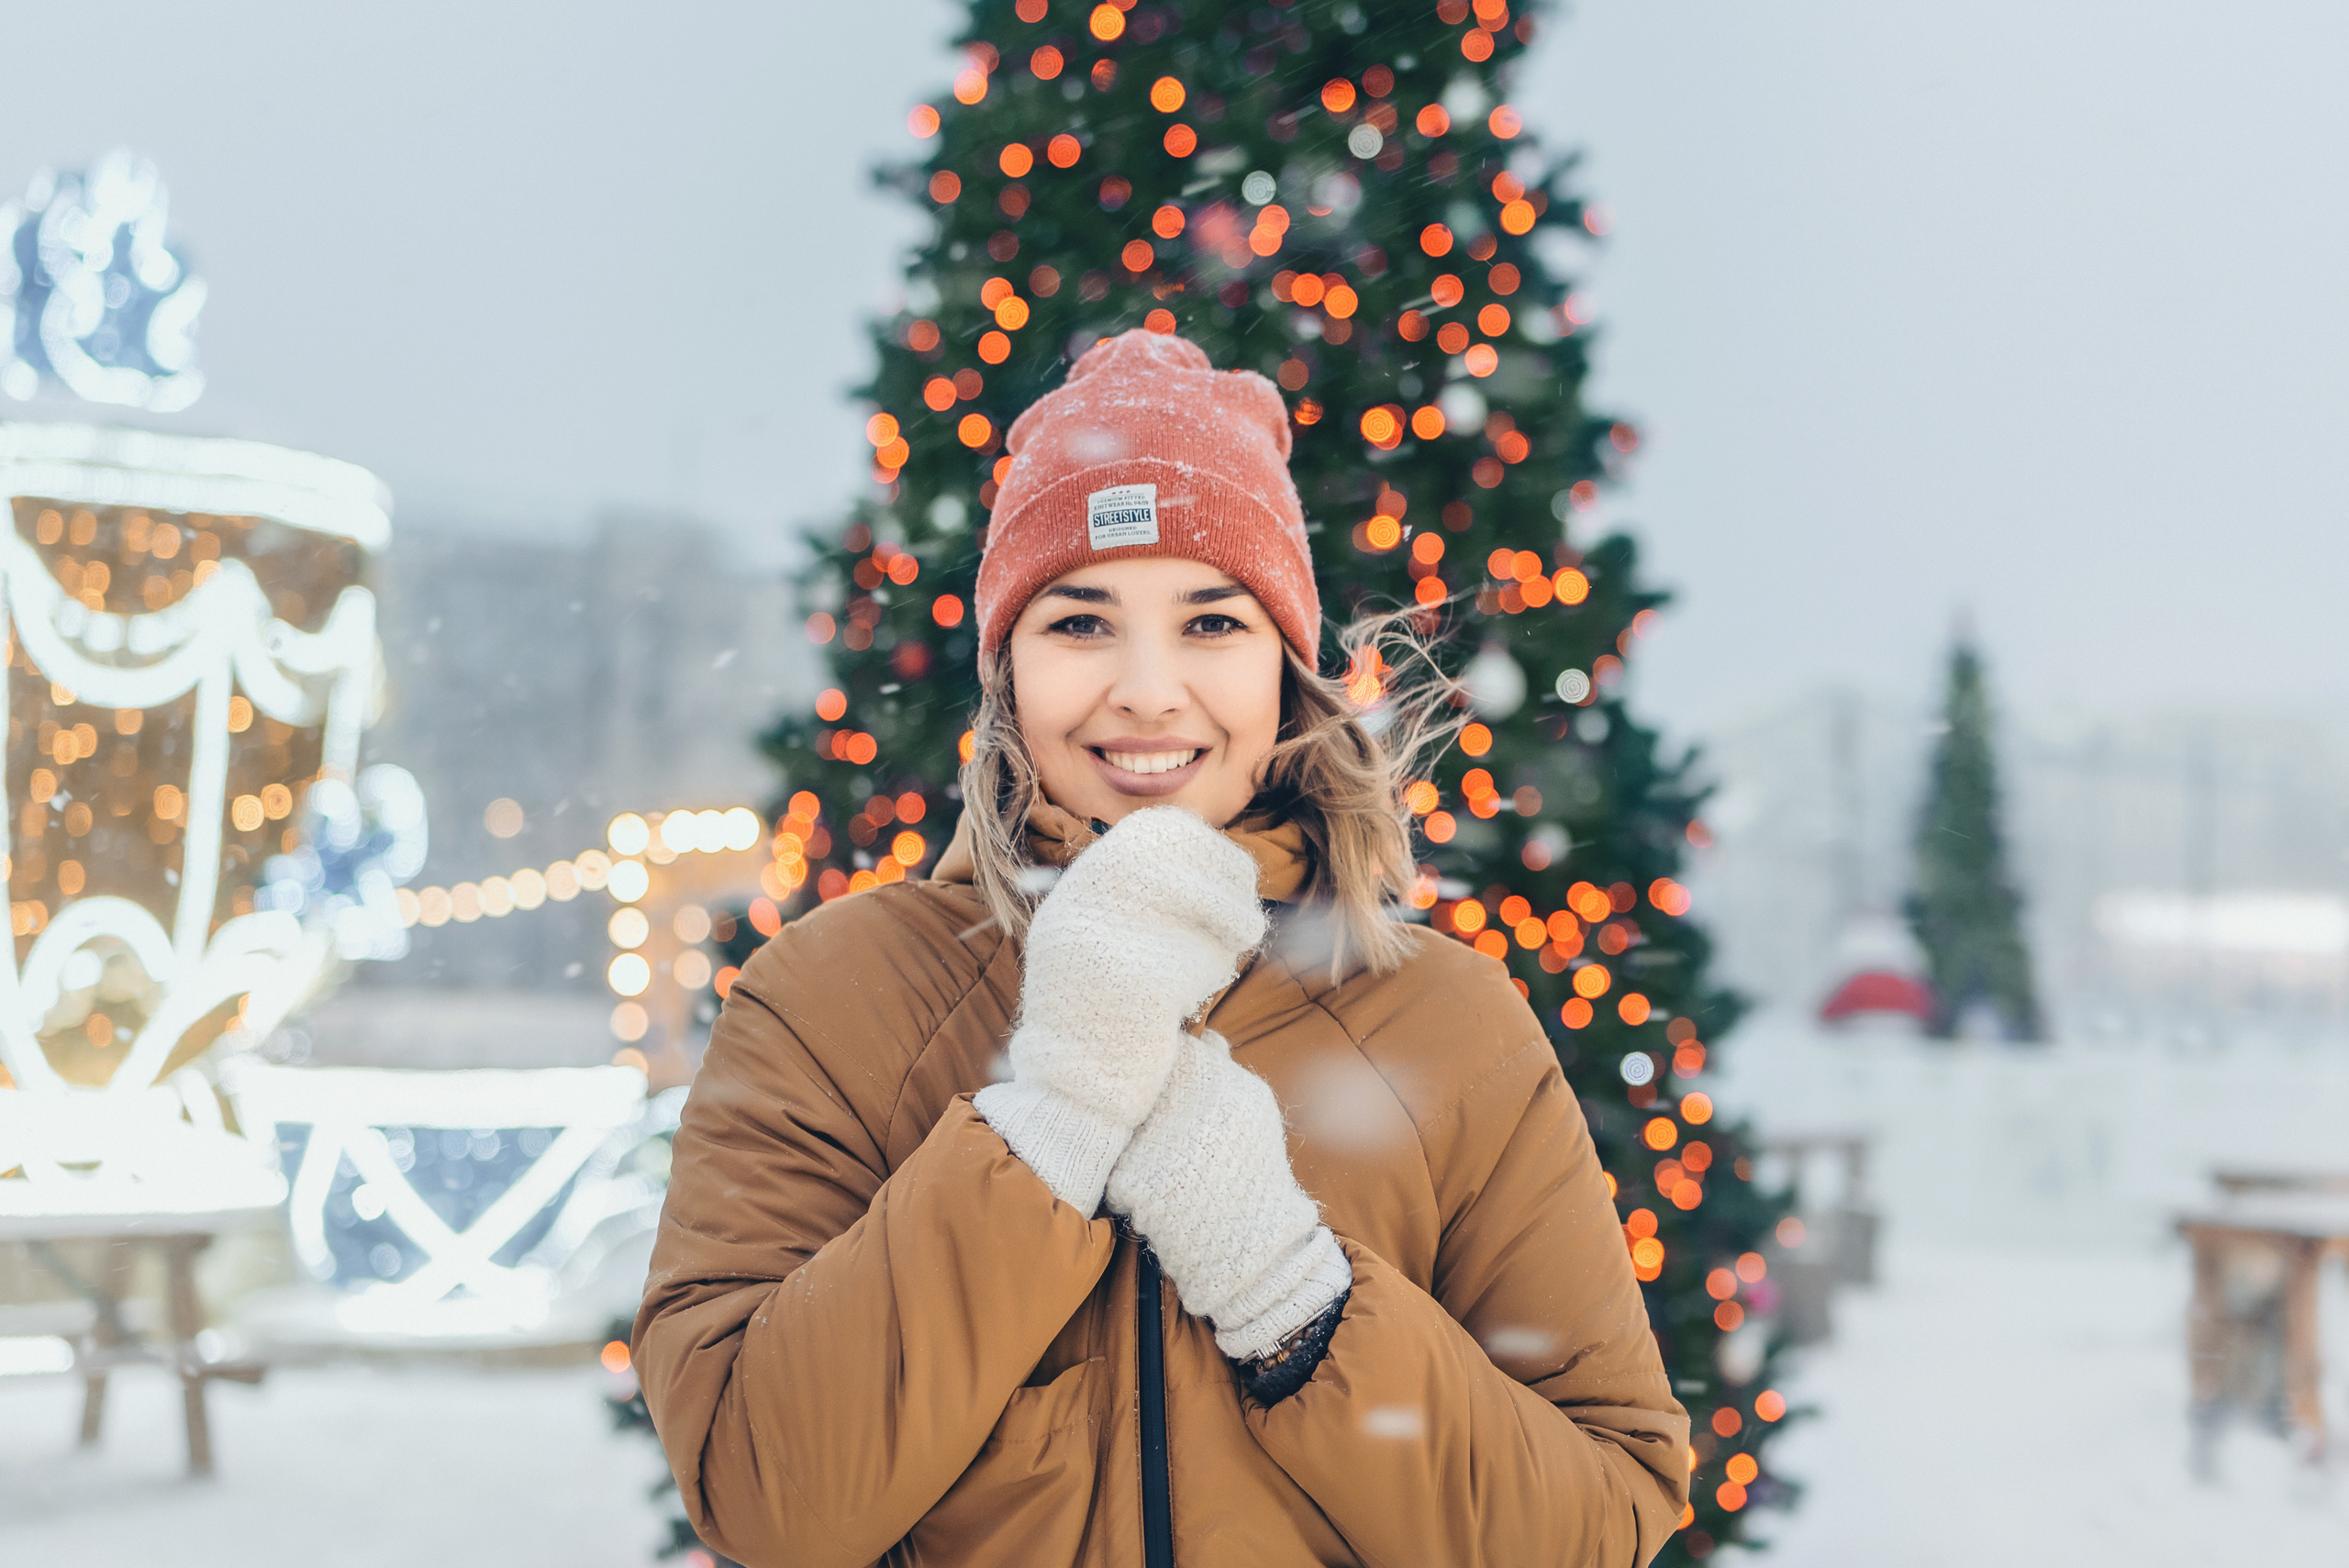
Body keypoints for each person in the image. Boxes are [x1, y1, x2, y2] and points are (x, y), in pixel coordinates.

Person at [633, 329, 1689, 1567]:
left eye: (1212, 623)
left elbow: (1601, 1522)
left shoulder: (1450, 1026)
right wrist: (1056, 1121)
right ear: (1007, 671)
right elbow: (768, 1497)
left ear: (1284, 669)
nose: (1146, 690)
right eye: (1081, 622)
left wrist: (1287, 1292)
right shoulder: (831, 999)